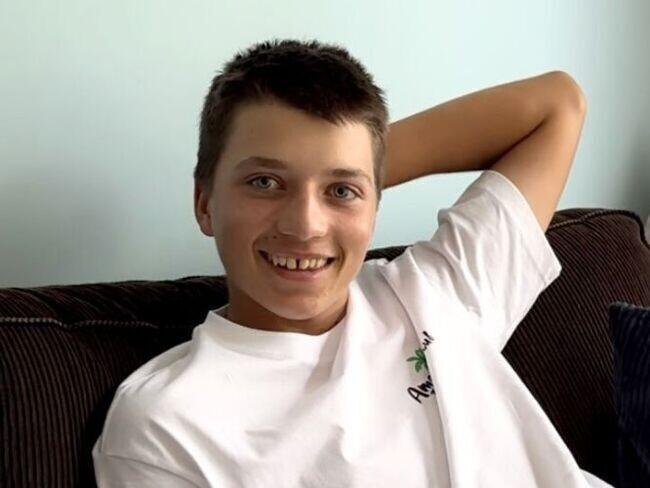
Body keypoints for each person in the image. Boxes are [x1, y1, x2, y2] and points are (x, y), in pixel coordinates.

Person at [92, 38, 612, 487]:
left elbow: (558, 104)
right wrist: (339, 173)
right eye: (265, 182)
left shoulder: (436, 288)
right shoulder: (165, 425)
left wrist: (359, 164)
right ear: (205, 203)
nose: (305, 226)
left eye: (340, 192)